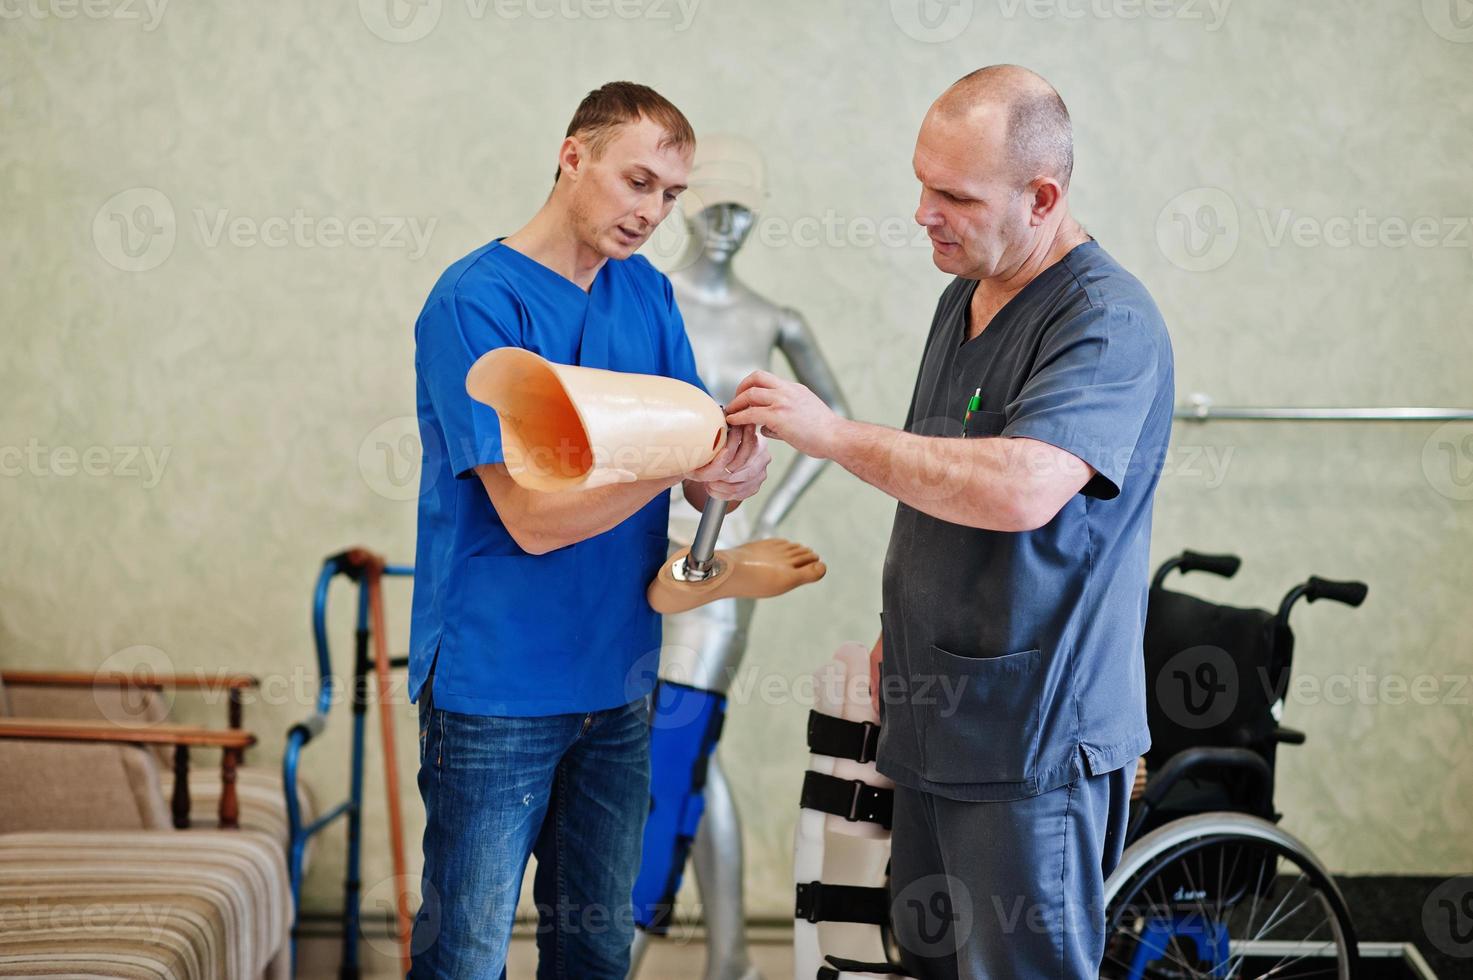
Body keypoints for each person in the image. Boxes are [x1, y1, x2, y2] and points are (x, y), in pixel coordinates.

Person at [726, 65, 1174, 978]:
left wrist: (835, 434)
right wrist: (902, 630)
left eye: (954, 195)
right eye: (921, 183)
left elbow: (1019, 489)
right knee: (928, 961)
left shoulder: (1106, 320)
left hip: (1031, 740)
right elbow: (943, 481)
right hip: (934, 716)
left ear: (1042, 197)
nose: (924, 212)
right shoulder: (963, 294)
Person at [407, 81, 771, 979]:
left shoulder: (644, 296)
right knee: (464, 959)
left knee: (597, 955)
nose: (652, 213)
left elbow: (696, 476)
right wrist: (681, 459)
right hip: (495, 691)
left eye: (670, 196)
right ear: (574, 155)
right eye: (637, 181)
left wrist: (729, 473)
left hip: (617, 683)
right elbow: (531, 519)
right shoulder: (474, 303)